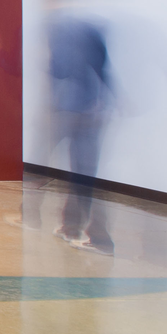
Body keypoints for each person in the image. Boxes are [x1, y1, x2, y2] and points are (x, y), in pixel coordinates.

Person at [48, 14, 114, 255]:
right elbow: (103, 69)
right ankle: (71, 227)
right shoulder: (91, 32)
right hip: (88, 111)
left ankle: (101, 238)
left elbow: (60, 70)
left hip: (78, 113)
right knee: (81, 172)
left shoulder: (63, 32)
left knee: (84, 175)